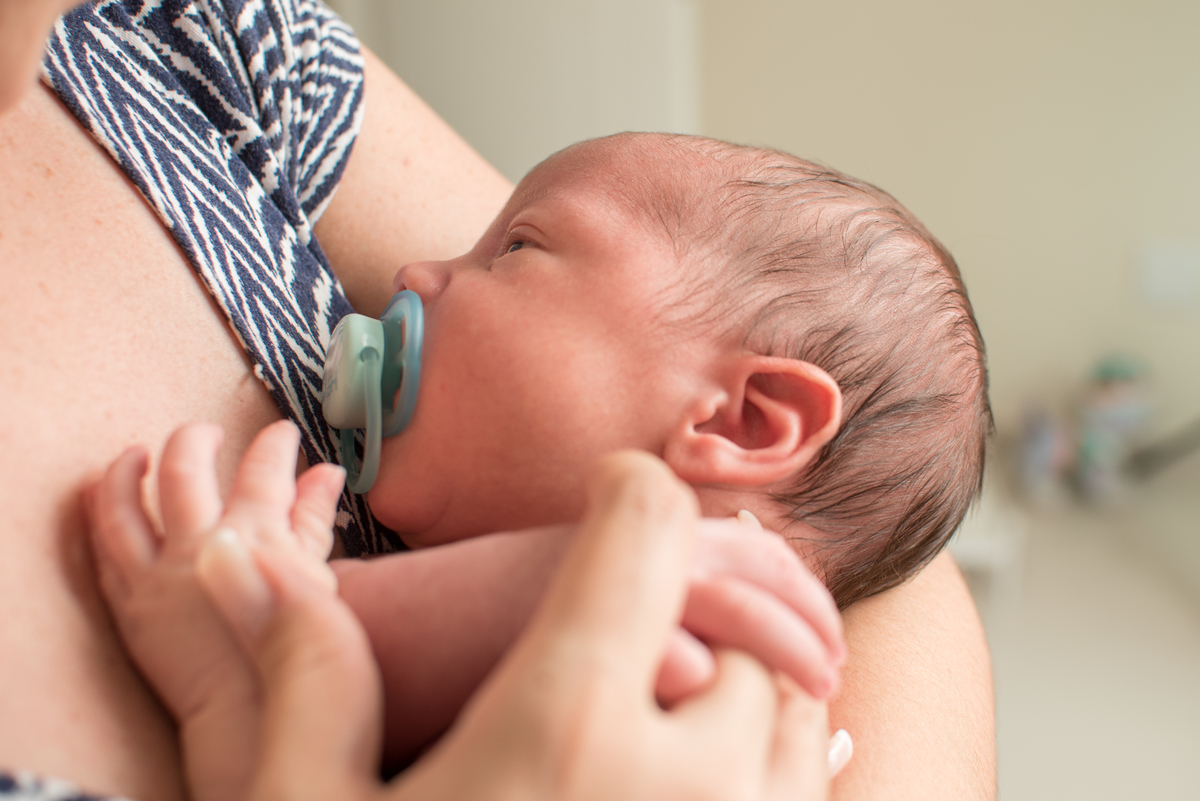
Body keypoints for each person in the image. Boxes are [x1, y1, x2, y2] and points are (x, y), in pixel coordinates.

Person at [0, 0, 995, 799]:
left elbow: (298, 639)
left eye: (515, 247)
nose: (411, 271)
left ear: (742, 421)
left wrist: (234, 612)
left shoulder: (691, 621)